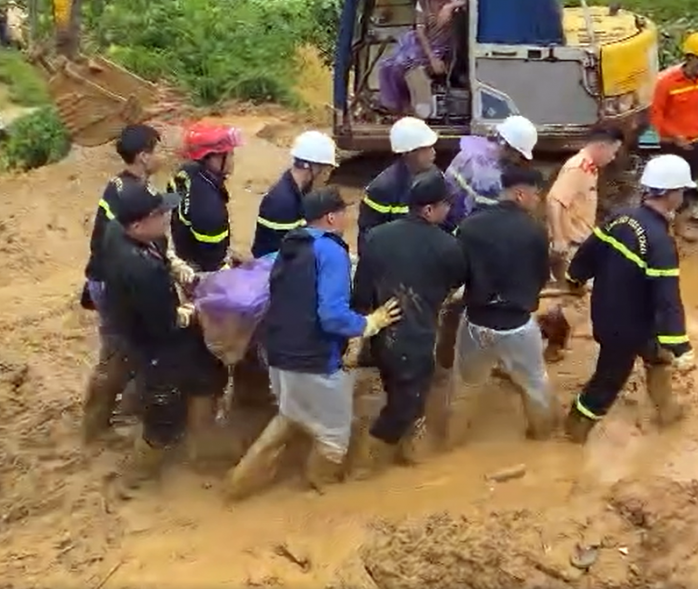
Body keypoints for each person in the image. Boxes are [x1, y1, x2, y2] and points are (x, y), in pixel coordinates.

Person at [225, 188, 402, 501]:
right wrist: (369, 323)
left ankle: (236, 485)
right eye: (344, 212)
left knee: (290, 415)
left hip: (278, 356)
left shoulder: (290, 245)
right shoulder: (332, 253)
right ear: (331, 217)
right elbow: (332, 316)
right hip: (313, 361)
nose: (349, 217)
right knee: (334, 435)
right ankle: (321, 491)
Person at [103, 181, 229, 488]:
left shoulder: (124, 231)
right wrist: (196, 309)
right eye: (159, 214)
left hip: (164, 329)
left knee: (209, 374)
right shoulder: (139, 270)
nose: (166, 218)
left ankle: (199, 448)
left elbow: (162, 249)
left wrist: (176, 265)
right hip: (154, 344)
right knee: (163, 417)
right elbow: (167, 323)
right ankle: (137, 478)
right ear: (138, 224)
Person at [562, 155, 696, 442]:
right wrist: (681, 345)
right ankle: (575, 429)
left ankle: (667, 411)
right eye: (682, 190)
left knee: (658, 356)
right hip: (626, 328)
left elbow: (588, 252)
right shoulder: (660, 243)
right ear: (671, 194)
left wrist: (575, 278)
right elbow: (667, 298)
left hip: (608, 312)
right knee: (608, 381)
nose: (683, 196)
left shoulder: (621, 217)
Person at [80, 125, 197, 444]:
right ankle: (94, 425)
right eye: (158, 150)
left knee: (131, 351)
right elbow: (124, 249)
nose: (163, 156)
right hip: (113, 283)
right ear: (144, 157)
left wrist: (172, 261)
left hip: (115, 278)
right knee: (117, 354)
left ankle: (125, 409)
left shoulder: (134, 188)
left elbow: (152, 237)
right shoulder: (123, 196)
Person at [352, 170, 466, 476]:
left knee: (397, 390)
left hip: (380, 334)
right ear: (429, 209)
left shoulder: (377, 237)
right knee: (407, 403)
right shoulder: (448, 247)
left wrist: (365, 325)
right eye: (446, 205)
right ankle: (366, 463)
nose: (449, 210)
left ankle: (404, 451)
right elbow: (455, 286)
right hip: (416, 339)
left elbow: (361, 292)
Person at [447, 165, 556, 446]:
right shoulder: (535, 231)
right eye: (535, 195)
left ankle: (450, 443)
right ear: (520, 194)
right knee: (534, 385)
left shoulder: (470, 225)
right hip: (517, 326)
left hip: (476, 322)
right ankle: (543, 438)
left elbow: (456, 273)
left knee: (465, 387)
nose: (537, 201)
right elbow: (542, 276)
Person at [376, 0, 465, 116]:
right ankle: (392, 105)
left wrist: (449, 7)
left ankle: (403, 105)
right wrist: (432, 58)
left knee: (399, 66)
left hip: (444, 46)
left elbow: (473, 1)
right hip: (423, 44)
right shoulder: (423, 1)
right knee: (386, 65)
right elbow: (420, 30)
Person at [546, 126, 624, 278]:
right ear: (602, 147)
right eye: (613, 152)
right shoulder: (578, 167)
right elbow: (554, 200)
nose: (613, 157)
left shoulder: (589, 168)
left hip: (580, 241)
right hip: (570, 246)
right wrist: (558, 238)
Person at [357, 117, 440, 255]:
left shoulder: (436, 177)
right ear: (410, 152)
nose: (434, 153)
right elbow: (369, 239)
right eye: (427, 148)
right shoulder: (383, 188)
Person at [251, 131, 337, 259]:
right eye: (326, 169)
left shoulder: (298, 190)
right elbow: (284, 255)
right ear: (312, 167)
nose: (327, 175)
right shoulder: (282, 203)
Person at [168, 123, 243, 272]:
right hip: (200, 266)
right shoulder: (211, 210)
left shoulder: (185, 172)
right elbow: (213, 260)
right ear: (213, 158)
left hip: (182, 245)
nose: (233, 159)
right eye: (230, 153)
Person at [443, 115, 538, 231]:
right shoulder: (486, 172)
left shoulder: (471, 152)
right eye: (517, 153)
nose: (518, 158)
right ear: (506, 145)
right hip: (464, 226)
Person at [650, 31, 698, 179]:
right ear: (690, 57)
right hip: (674, 145)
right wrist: (673, 137)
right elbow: (656, 114)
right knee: (673, 182)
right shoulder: (667, 83)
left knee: (694, 180)